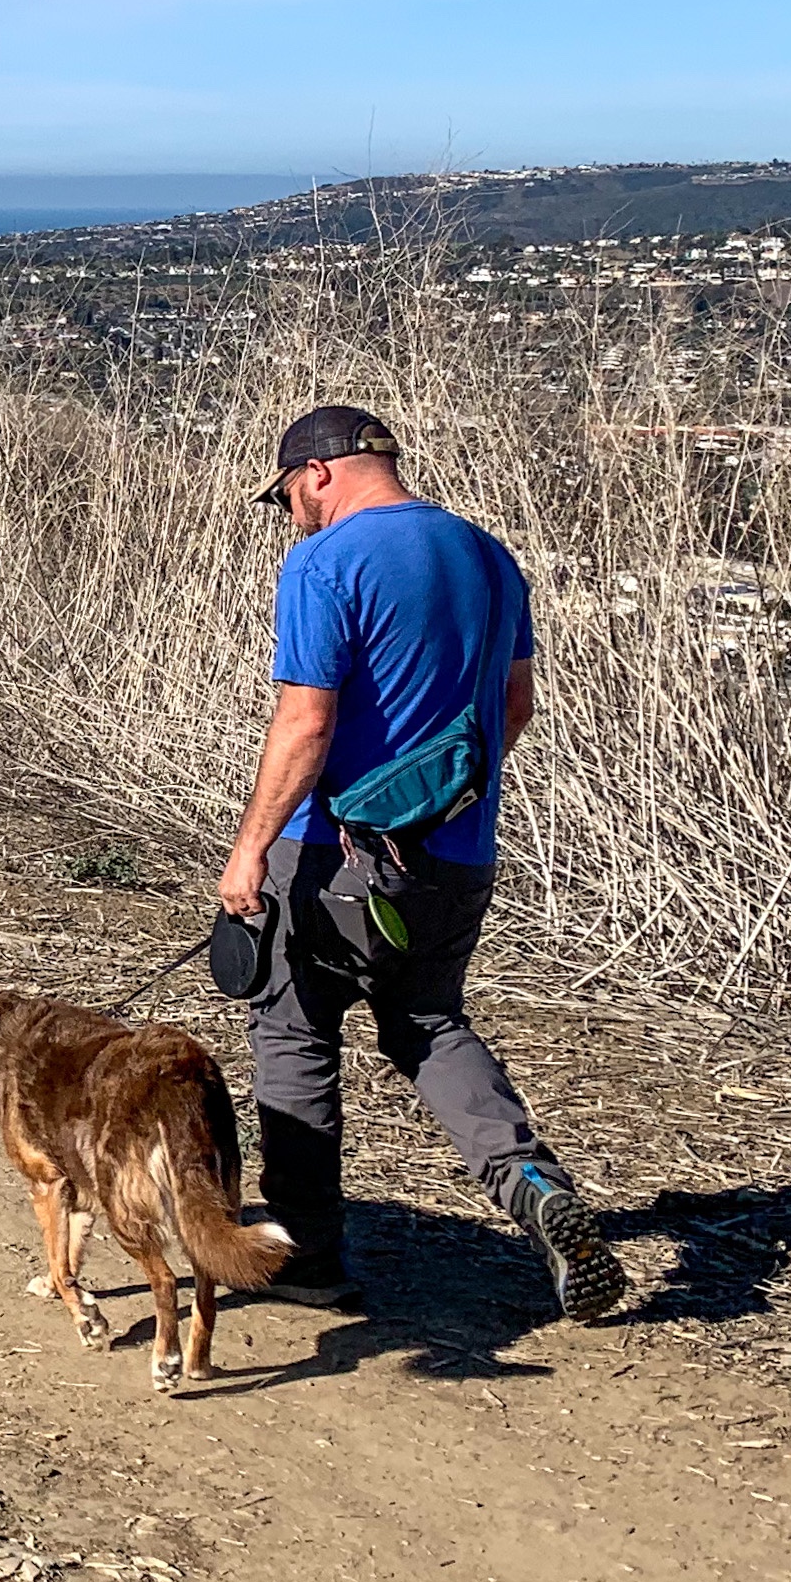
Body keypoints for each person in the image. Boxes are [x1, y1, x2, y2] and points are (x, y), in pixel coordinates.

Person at [216, 404, 626, 1325]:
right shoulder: (488, 555)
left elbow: (306, 722)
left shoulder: (325, 562)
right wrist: (431, 805)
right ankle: (530, 1179)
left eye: (286, 494)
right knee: (430, 1020)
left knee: (293, 1033)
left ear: (317, 473)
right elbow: (511, 707)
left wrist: (249, 850)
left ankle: (308, 1257)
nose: (290, 514)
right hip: (455, 851)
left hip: (331, 850)